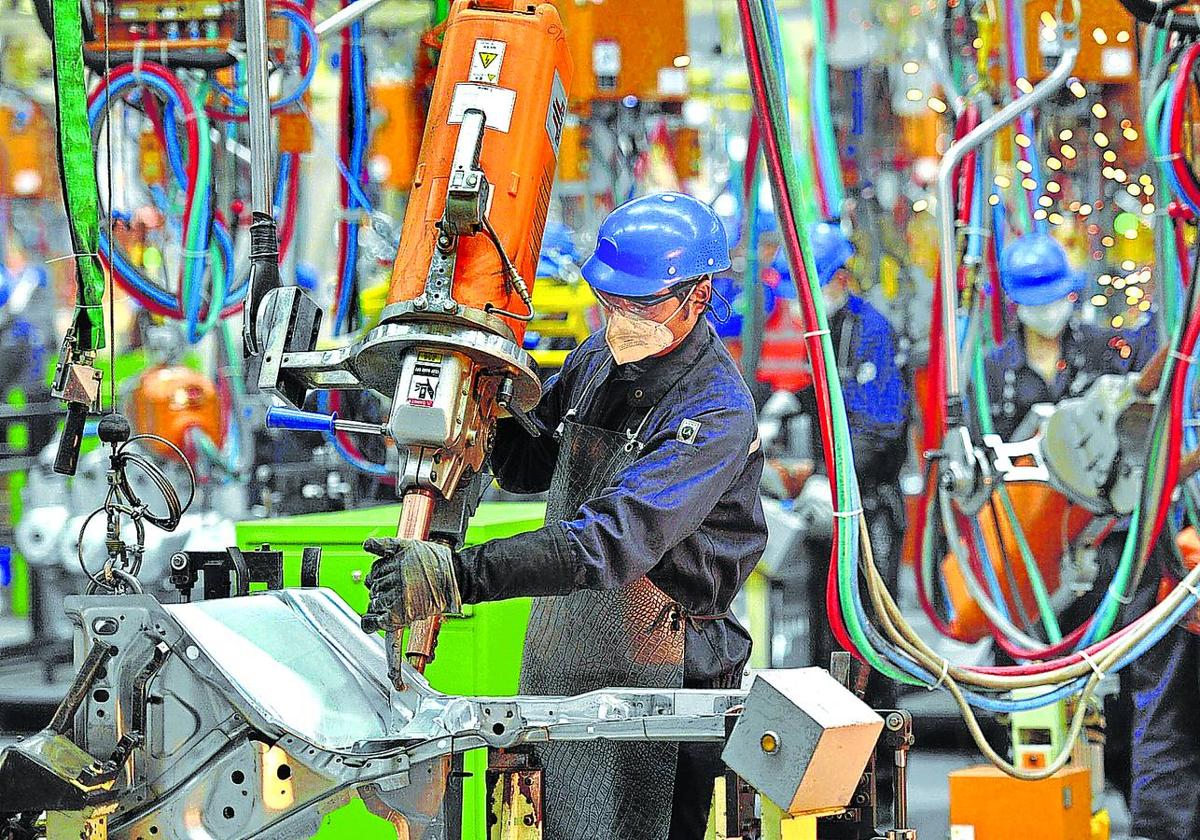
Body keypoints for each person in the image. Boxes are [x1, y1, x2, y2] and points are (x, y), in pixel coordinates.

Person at [361, 192, 768, 840]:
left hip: (668, 659)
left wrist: (459, 576)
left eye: (642, 304)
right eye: (611, 301)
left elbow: (611, 542)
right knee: (566, 820)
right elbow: (531, 467)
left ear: (700, 295)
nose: (622, 318)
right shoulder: (598, 358)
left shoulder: (713, 412)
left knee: (644, 826)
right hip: (569, 641)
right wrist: (479, 407)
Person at [977, 233, 1169, 832]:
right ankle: (1029, 784)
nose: (1048, 310)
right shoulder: (993, 370)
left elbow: (1135, 418)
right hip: (1029, 549)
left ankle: (1119, 783)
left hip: (1105, 540)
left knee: (1122, 668)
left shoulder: (1104, 352)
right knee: (1026, 671)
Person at [764, 222, 910, 675]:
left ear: (839, 281)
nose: (795, 306)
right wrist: (790, 404)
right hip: (828, 509)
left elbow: (880, 425)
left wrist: (833, 479)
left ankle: (879, 739)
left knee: (869, 637)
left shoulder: (873, 333)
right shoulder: (827, 332)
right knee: (826, 633)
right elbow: (834, 400)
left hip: (868, 510)